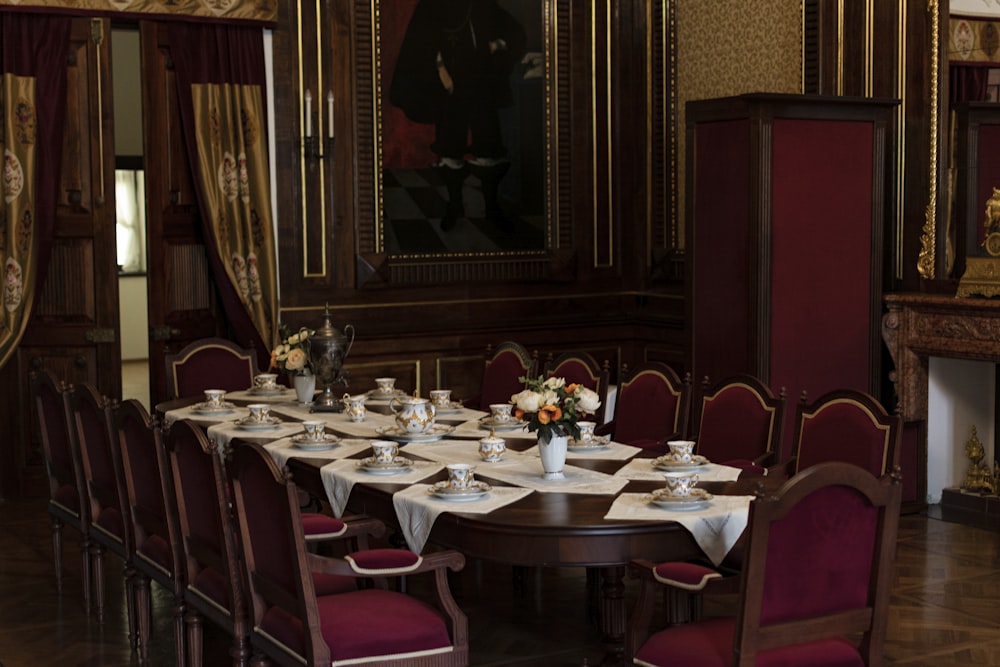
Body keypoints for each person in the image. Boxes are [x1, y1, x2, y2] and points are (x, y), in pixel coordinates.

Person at [390, 0, 526, 231]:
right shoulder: (432, 6)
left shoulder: (484, 4)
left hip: (482, 87)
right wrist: (442, 72)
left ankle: (492, 208)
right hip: (451, 89)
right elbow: (422, 44)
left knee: (489, 147)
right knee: (450, 147)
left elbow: (512, 31)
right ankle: (454, 207)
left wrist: (496, 45)